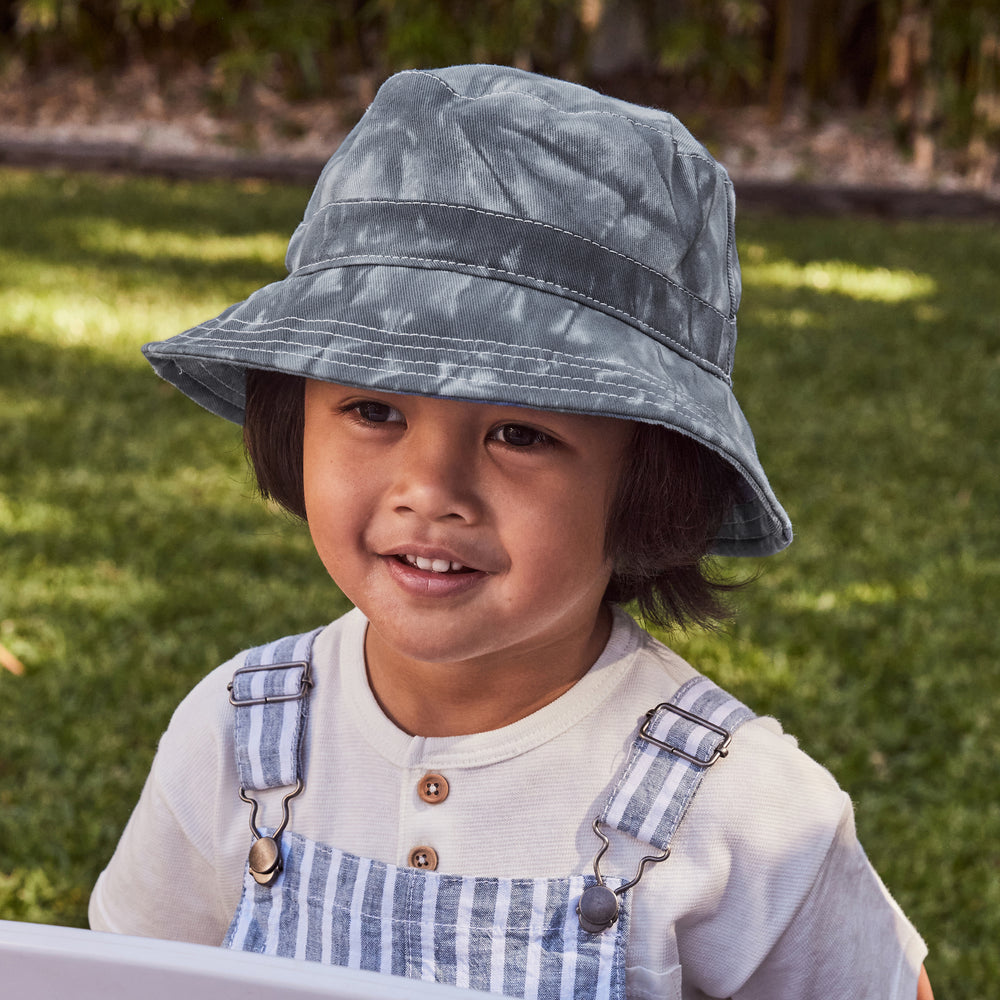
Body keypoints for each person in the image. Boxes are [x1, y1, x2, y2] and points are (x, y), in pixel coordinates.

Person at [89, 65, 932, 999]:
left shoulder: (742, 810)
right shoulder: (237, 737)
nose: (431, 488)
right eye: (374, 409)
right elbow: (122, 977)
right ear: (293, 421)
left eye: (519, 434)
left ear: (649, 484)